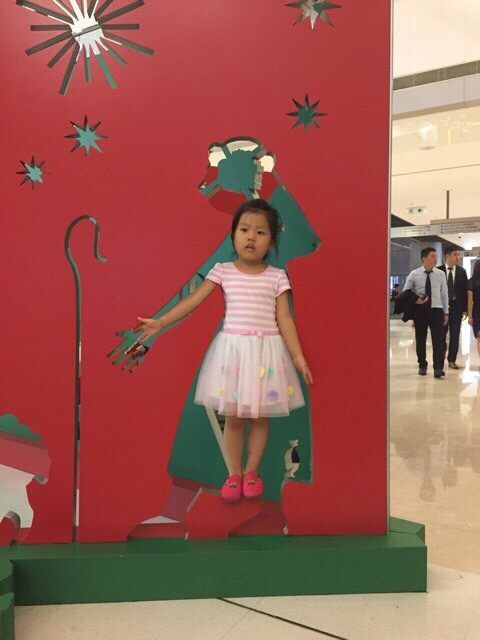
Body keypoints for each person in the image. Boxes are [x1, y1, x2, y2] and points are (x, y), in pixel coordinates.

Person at [131, 199, 313, 502]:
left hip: (266, 355)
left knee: (260, 418)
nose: (251, 237)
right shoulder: (223, 271)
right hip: (234, 355)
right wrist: (160, 322)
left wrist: (297, 356)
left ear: (271, 241)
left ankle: (252, 472)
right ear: (233, 235)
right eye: (244, 230)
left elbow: (284, 318)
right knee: (234, 417)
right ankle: (234, 473)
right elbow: (193, 301)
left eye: (260, 232)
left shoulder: (277, 276)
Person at [403, 247, 449, 378]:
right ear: (424, 258)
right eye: (433, 256)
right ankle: (422, 365)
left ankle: (438, 368)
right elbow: (406, 292)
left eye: (436, 256)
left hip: (437, 311)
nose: (436, 259)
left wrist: (446, 312)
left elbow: (444, 293)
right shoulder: (414, 274)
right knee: (420, 340)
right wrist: (415, 300)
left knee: (439, 341)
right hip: (420, 311)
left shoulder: (440, 274)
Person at [438, 247, 468, 369]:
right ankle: (440, 357)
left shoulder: (462, 271)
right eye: (455, 254)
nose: (458, 257)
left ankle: (452, 360)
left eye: (458, 255)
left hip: (456, 307)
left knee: (455, 335)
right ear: (447, 256)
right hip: (442, 307)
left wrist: (465, 309)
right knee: (441, 334)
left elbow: (465, 291)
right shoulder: (438, 271)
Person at [467, 259, 480, 361]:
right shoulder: (471, 281)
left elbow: (470, 299)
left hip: (477, 310)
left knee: (479, 338)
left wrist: (470, 316)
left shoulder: (471, 281)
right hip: (477, 310)